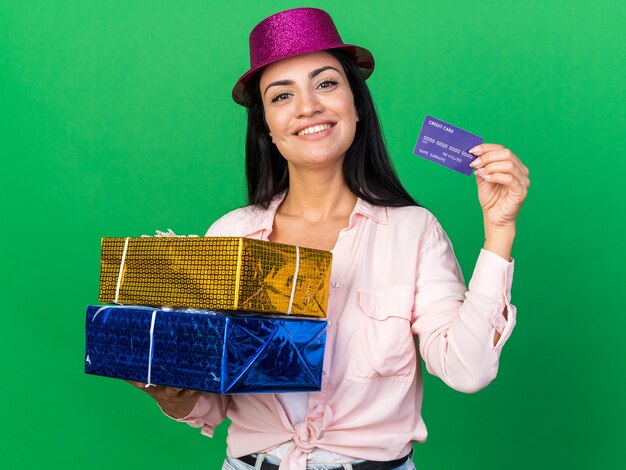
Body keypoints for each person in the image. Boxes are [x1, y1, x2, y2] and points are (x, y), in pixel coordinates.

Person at [128, 7, 530, 470]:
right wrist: (171, 392)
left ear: (356, 105)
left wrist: (500, 230)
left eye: (325, 83)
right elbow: (210, 404)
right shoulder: (231, 234)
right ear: (267, 130)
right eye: (281, 96)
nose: (307, 107)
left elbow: (468, 369)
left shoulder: (413, 231)